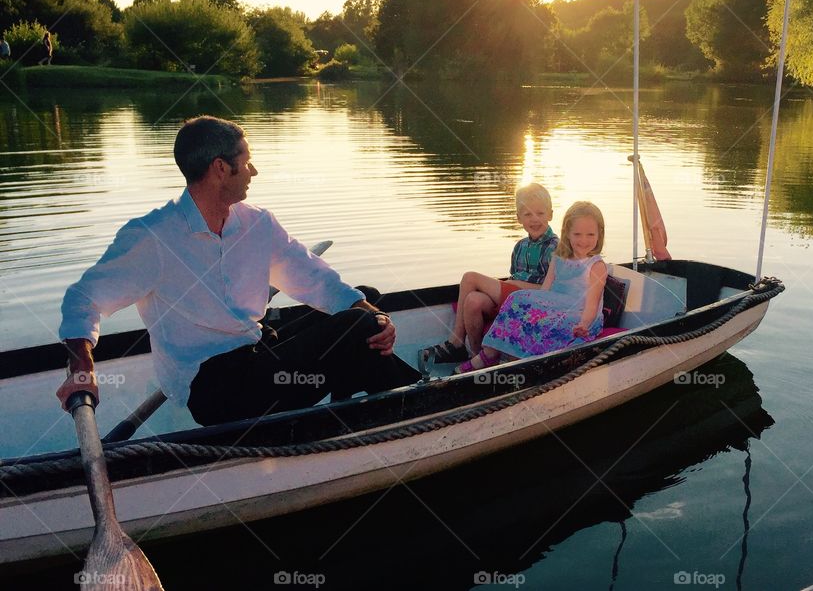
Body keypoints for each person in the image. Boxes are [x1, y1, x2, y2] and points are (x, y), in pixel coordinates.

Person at [56, 116, 421, 425]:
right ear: (220, 168)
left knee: (364, 302)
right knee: (358, 326)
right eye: (247, 162)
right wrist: (82, 369)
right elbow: (83, 300)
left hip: (256, 354)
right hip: (214, 391)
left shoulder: (257, 223)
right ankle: (414, 405)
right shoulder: (153, 237)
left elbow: (314, 278)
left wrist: (376, 317)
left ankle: (356, 407)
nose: (253, 171)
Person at [455, 201, 607, 374]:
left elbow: (592, 305)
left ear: (599, 234)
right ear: (567, 233)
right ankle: (491, 352)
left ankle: (516, 360)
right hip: (554, 305)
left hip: (580, 314)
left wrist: (583, 324)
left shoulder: (596, 266)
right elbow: (545, 291)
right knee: (517, 298)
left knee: (544, 320)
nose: (584, 240)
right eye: (577, 234)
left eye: (590, 234)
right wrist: (532, 306)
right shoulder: (558, 257)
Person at [419, 183, 558, 364]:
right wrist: (511, 284)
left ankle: (456, 341)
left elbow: (553, 290)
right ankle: (476, 356)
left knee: (470, 278)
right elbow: (513, 276)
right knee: (473, 301)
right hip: (511, 297)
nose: (534, 219)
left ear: (550, 215)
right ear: (518, 218)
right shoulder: (520, 246)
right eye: (528, 214)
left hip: (530, 300)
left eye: (540, 213)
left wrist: (515, 285)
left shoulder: (555, 247)